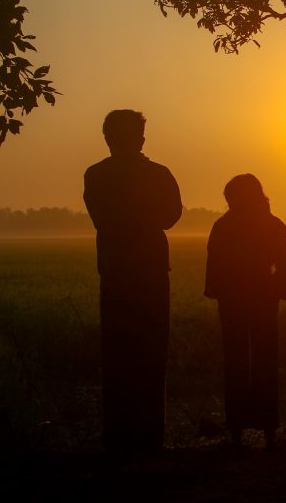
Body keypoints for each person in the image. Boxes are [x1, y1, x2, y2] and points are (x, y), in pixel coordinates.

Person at [83, 109, 182, 454]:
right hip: (152, 272)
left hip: (114, 271)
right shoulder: (158, 174)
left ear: (108, 138)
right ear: (140, 138)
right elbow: (171, 217)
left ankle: (118, 436)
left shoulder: (95, 176)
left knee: (117, 355)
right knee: (152, 355)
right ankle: (150, 437)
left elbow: (100, 218)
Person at [204, 174, 286, 450]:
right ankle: (268, 427)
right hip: (265, 297)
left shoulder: (223, 225)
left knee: (236, 360)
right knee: (265, 358)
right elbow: (285, 265)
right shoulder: (273, 224)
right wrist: (281, 291)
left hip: (232, 299)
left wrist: (217, 291)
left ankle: (237, 429)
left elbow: (214, 268)